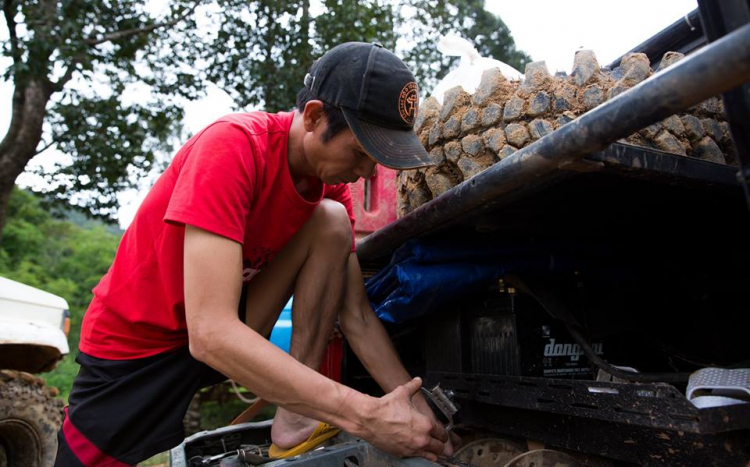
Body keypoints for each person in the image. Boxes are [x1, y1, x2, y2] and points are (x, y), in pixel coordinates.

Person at [54, 42, 452, 467]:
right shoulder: (233, 147)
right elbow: (209, 334)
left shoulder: (327, 187)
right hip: (138, 345)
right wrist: (364, 415)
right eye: (360, 153)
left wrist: (417, 411)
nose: (368, 172)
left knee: (332, 221)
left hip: (230, 332)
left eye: (377, 160)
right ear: (315, 117)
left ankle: (296, 416)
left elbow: (354, 312)